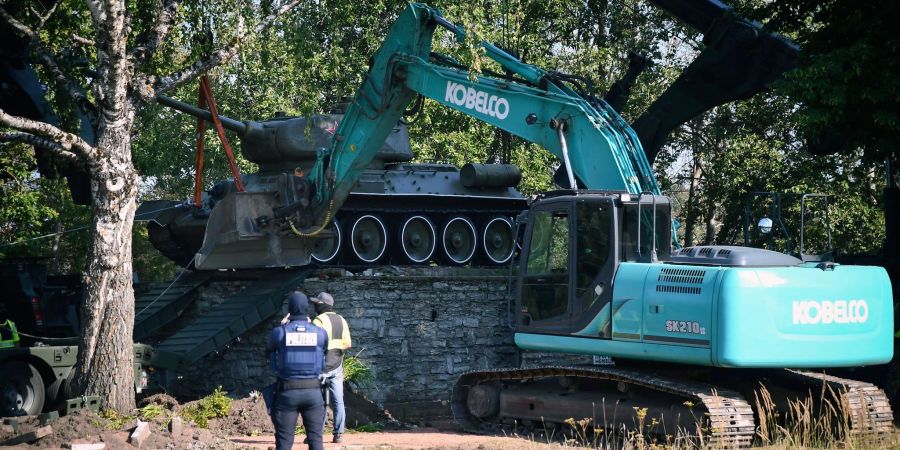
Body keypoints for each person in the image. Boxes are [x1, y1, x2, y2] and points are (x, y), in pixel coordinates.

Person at [265, 291, 328, 450]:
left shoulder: (280, 332)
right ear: (307, 308)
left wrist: (283, 325)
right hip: (313, 393)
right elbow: (324, 352)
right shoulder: (320, 333)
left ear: (290, 309)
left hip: (287, 393)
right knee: (316, 441)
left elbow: (269, 350)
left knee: (284, 442)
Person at [310, 292, 352, 443]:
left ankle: (316, 435)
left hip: (321, 366)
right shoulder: (341, 319)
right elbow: (348, 344)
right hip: (337, 364)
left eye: (316, 303)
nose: (314, 305)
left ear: (322, 305)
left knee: (318, 401)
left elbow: (313, 343)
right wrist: (335, 350)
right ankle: (338, 434)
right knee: (338, 400)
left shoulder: (318, 320)